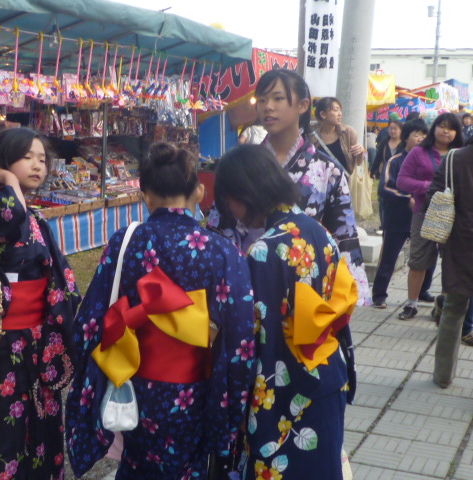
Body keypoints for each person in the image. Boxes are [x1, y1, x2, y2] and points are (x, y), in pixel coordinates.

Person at [65, 143, 256, 479]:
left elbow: (88, 323)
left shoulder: (127, 241)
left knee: (138, 465)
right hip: (196, 391)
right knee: (189, 467)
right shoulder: (221, 251)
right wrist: (234, 406)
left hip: (136, 385)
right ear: (198, 191)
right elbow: (240, 336)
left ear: (146, 196)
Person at [214, 144, 357, 480]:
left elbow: (252, 342)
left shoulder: (263, 251)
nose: (230, 210)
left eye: (228, 199)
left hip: (282, 391)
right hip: (325, 377)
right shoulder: (317, 230)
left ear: (244, 193)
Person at [0, 127, 81, 480]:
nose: (38, 166)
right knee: (1, 432)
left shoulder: (35, 216)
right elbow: (12, 220)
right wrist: (6, 179)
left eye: (42, 159)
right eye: (27, 158)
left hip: (39, 339)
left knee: (45, 427)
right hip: (1, 342)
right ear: (5, 160)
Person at [253, 69, 370, 306]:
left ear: (303, 105)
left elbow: (343, 236)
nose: (267, 107)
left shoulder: (328, 170)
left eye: (278, 98)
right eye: (262, 100)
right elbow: (222, 232)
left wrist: (344, 298)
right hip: (250, 285)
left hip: (309, 290)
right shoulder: (245, 165)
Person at [396, 112, 464, 320]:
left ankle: (443, 306)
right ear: (433, 128)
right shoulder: (418, 152)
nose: (445, 131)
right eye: (441, 126)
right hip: (424, 213)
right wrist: (430, 188)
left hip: (454, 217)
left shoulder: (460, 154)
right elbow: (402, 181)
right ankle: (411, 304)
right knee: (418, 260)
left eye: (451, 128)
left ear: (457, 132)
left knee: (451, 262)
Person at [430, 134, 473, 387]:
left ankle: (443, 376)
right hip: (461, 242)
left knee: (454, 308)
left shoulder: (454, 158)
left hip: (460, 243)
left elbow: (434, 194)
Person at [371, 119, 428, 308]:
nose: (420, 138)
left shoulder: (428, 161)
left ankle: (423, 291)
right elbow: (384, 188)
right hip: (397, 218)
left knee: (426, 257)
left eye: (423, 135)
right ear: (406, 137)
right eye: (416, 134)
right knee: (388, 257)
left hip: (421, 218)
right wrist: (406, 198)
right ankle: (379, 294)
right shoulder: (395, 160)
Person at [312, 96, 365, 174]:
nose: (340, 114)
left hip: (343, 183)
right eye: (336, 110)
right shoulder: (312, 136)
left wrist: (360, 152)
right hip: (319, 182)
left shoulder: (348, 133)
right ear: (323, 114)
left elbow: (358, 162)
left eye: (340, 110)